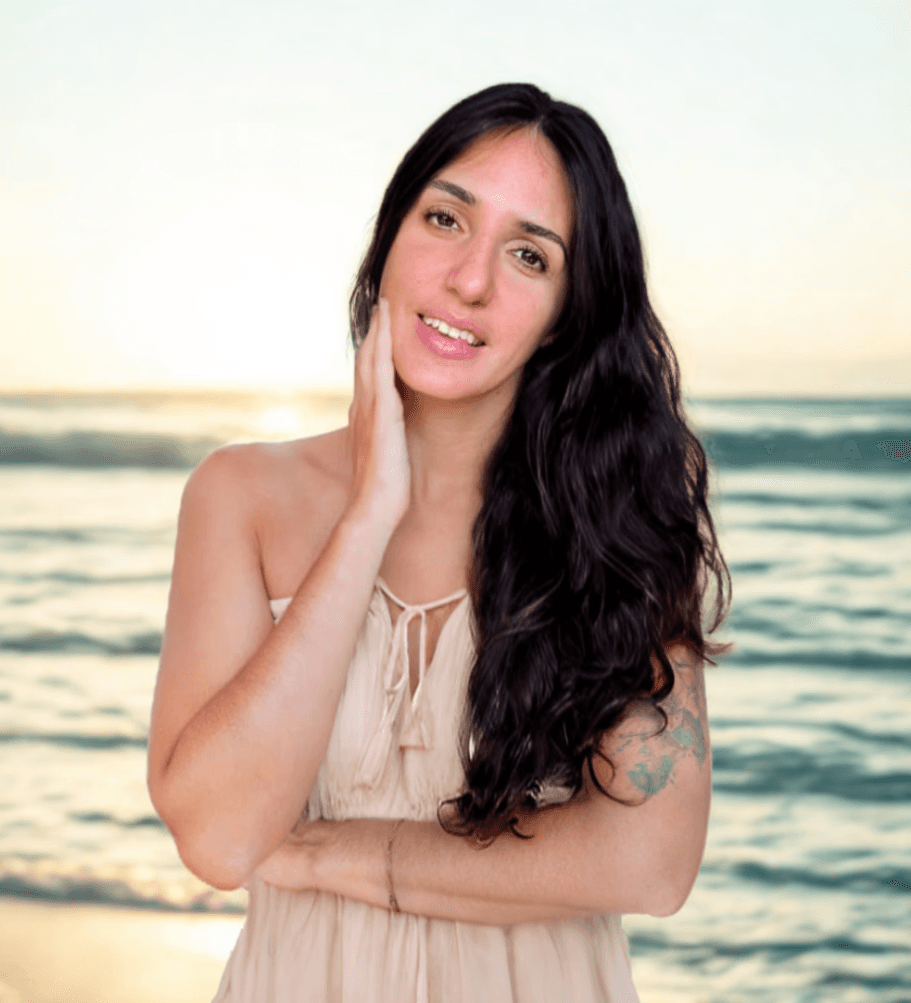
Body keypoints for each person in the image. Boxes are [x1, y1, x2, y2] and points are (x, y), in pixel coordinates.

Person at [147, 82, 730, 1002]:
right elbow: (219, 837)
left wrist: (337, 855)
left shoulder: (617, 522)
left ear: (568, 312)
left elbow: (650, 859)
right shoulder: (241, 497)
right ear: (389, 235)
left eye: (530, 255)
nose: (470, 280)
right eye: (445, 218)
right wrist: (369, 512)